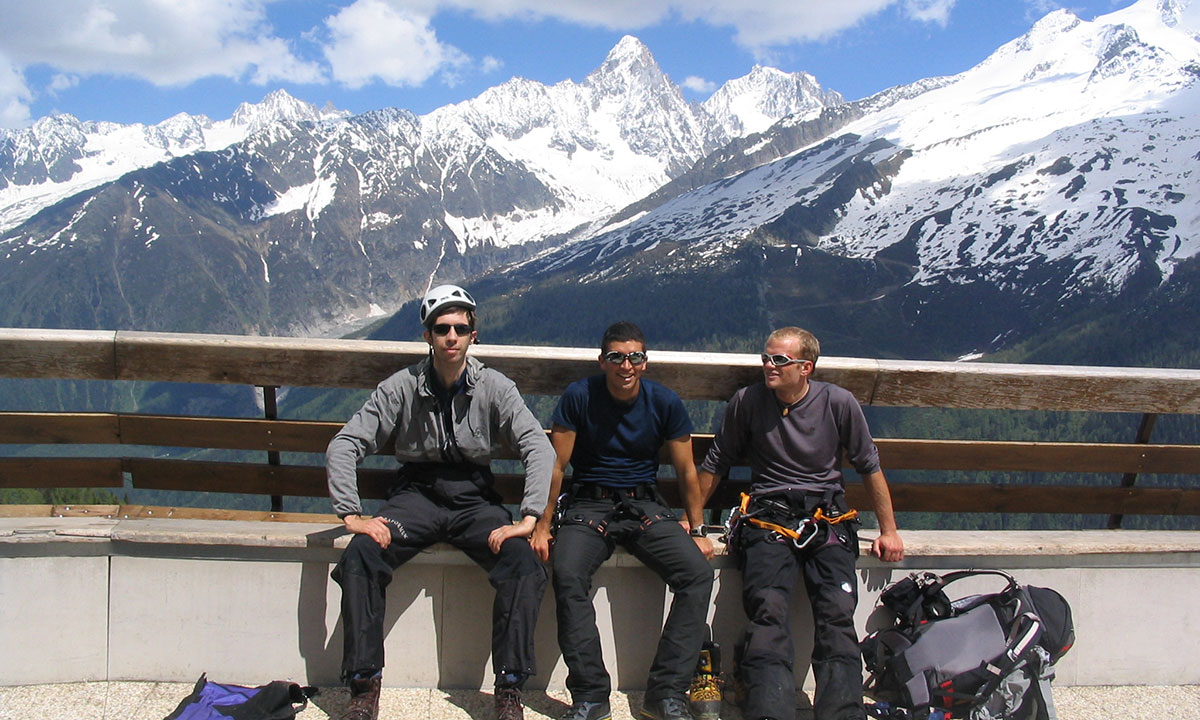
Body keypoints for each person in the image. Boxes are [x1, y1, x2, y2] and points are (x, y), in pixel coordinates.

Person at [326, 284, 554, 720]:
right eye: (442, 328)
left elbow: (537, 447)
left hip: (474, 501)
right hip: (415, 497)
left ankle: (509, 689)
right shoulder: (401, 387)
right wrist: (351, 514)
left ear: (473, 335)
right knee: (361, 556)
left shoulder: (495, 386)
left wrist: (529, 516)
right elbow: (345, 444)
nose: (452, 336)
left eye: (460, 328)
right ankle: (363, 685)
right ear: (427, 335)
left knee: (523, 564)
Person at [697, 327, 904, 720]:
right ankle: (769, 710)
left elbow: (869, 468)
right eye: (766, 358)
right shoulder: (748, 402)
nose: (767, 366)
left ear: (805, 367)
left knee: (836, 613)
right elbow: (716, 463)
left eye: (779, 360)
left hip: (826, 516)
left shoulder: (839, 403)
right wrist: (692, 524)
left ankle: (842, 713)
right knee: (767, 609)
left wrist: (889, 530)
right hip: (768, 516)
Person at [531, 321, 715, 720]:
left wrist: (697, 530)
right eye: (616, 357)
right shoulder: (579, 396)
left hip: (645, 506)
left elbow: (686, 472)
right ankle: (591, 696)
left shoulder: (664, 402)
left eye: (635, 357)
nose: (626, 365)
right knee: (566, 572)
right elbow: (556, 466)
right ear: (603, 361)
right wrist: (543, 525)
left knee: (697, 575)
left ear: (645, 362)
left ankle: (666, 693)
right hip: (588, 505)